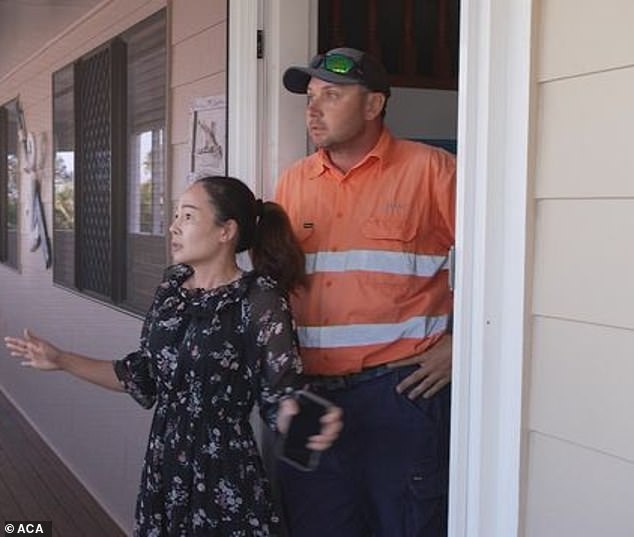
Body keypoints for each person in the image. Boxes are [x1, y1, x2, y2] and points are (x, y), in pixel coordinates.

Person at [4, 176, 342, 537]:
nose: (173, 226)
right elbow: (143, 376)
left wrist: (300, 415)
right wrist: (61, 360)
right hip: (164, 466)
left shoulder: (260, 298)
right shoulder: (171, 287)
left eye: (188, 216)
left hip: (225, 471)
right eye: (176, 215)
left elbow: (279, 395)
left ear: (226, 230)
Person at [275, 47, 455, 536]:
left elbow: (502, 267)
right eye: (310, 97)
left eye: (331, 95)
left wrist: (461, 344)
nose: (313, 109)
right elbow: (274, 283)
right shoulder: (294, 182)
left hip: (399, 394)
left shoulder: (433, 171)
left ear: (374, 105)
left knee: (408, 524)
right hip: (310, 393)